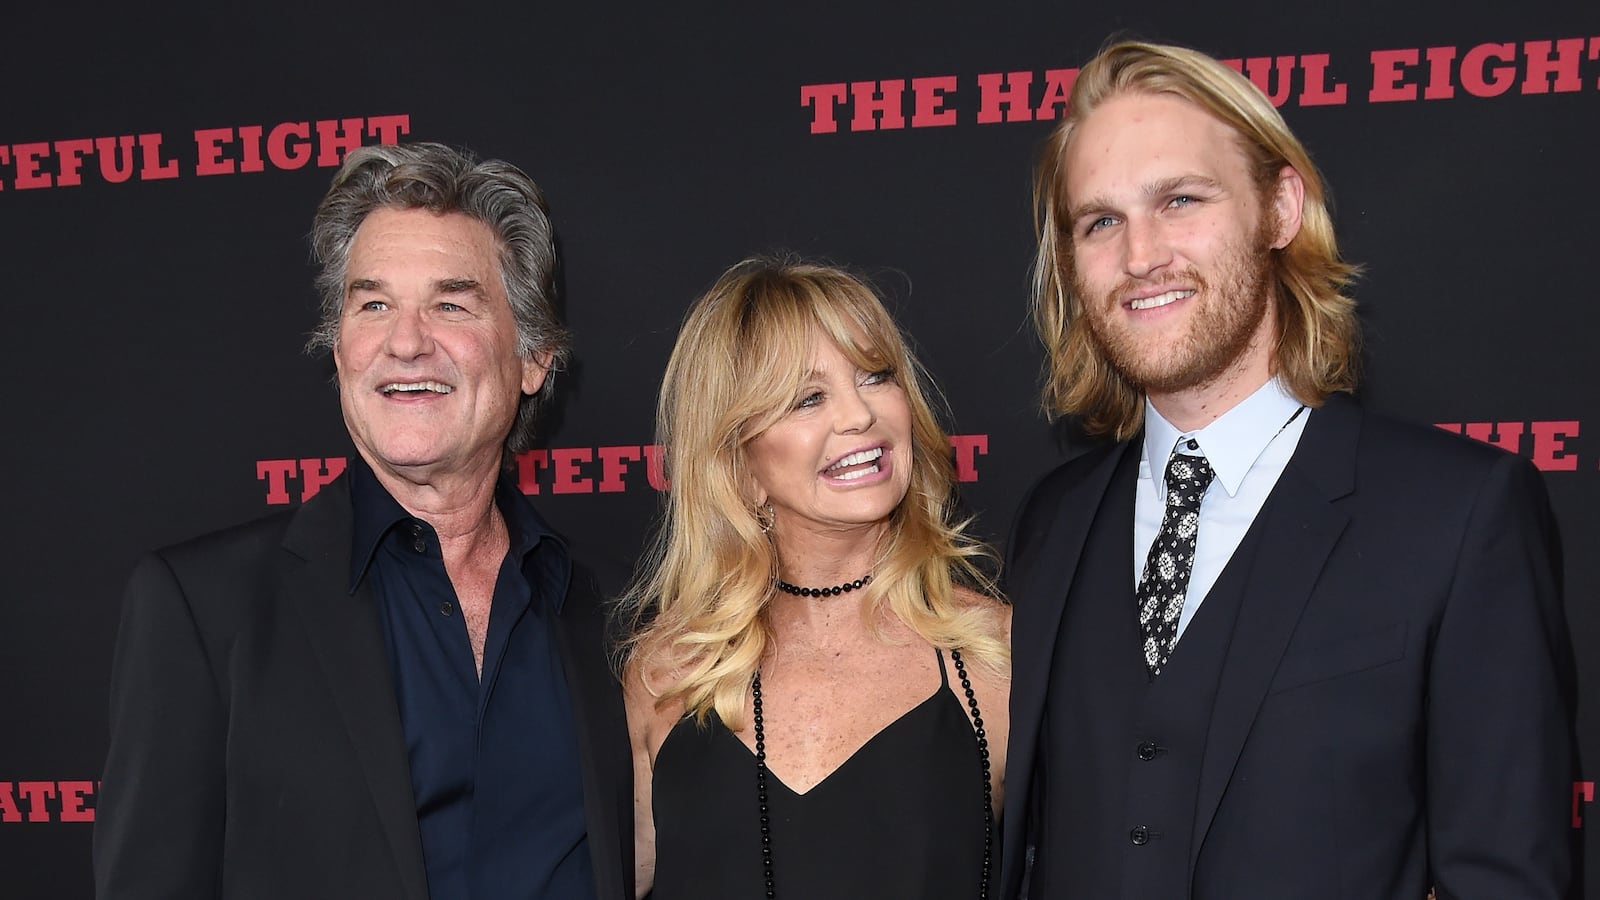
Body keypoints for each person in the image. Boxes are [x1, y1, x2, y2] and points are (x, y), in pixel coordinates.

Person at [1001, 40, 1574, 900]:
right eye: (1101, 221)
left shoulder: (1460, 515)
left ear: (1279, 209)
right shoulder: (1053, 520)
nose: (1141, 255)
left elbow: (1508, 878)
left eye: (1181, 200)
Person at [95, 143, 633, 900]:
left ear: (534, 358)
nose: (406, 341)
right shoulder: (204, 609)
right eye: (372, 304)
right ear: (341, 349)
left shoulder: (616, 612)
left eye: (452, 303)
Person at [621, 258, 1011, 899]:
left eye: (876, 376)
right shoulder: (665, 675)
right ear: (738, 462)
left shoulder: (995, 657)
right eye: (808, 398)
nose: (860, 416)